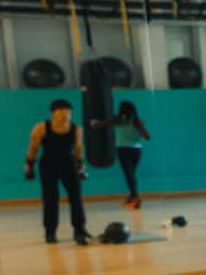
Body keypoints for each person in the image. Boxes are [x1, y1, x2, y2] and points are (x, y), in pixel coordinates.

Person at [24, 99, 91, 245]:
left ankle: (80, 230)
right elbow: (33, 147)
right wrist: (29, 165)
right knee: (50, 199)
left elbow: (79, 149)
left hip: (69, 165)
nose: (65, 115)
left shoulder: (76, 129)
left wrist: (81, 167)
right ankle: (50, 232)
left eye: (68, 112)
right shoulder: (41, 127)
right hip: (48, 166)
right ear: (53, 113)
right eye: (61, 112)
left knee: (76, 197)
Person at [90, 100, 151, 208]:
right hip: (136, 150)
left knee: (129, 174)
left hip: (123, 150)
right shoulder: (137, 121)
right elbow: (148, 136)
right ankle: (133, 196)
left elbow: (97, 126)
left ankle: (135, 197)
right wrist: (138, 135)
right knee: (130, 174)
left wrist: (92, 122)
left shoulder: (116, 119)